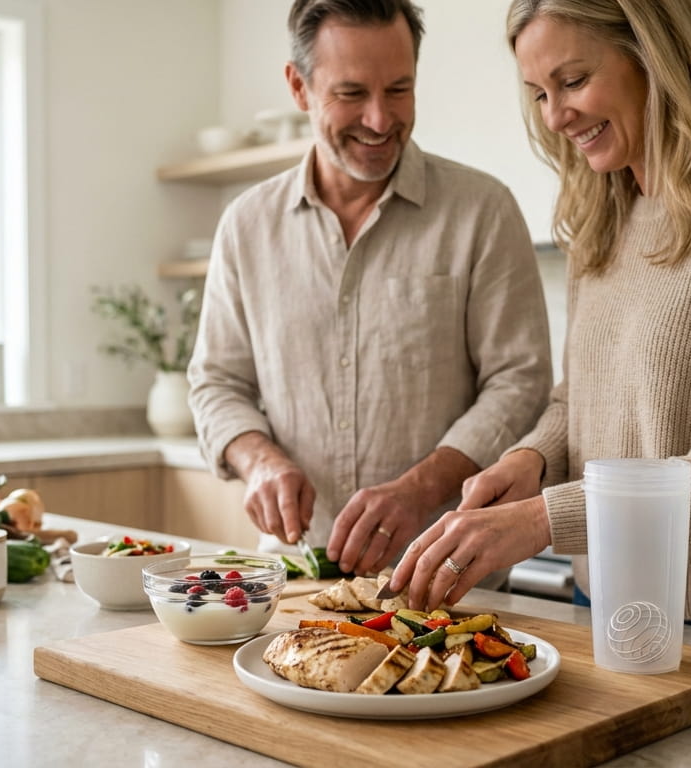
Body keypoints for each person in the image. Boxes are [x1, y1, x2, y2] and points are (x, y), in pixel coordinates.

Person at [389, 0, 691, 648]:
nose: (555, 116)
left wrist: (546, 519)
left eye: (573, 81)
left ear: (653, 56)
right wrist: (533, 461)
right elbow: (580, 400)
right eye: (540, 94)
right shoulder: (602, 215)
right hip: (602, 604)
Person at [188, 0, 552, 579]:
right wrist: (259, 462)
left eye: (399, 90)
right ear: (299, 87)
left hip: (448, 572)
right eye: (351, 93)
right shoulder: (246, 224)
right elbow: (216, 382)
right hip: (293, 576)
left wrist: (417, 490)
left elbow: (520, 380)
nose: (381, 121)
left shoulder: (482, 210)